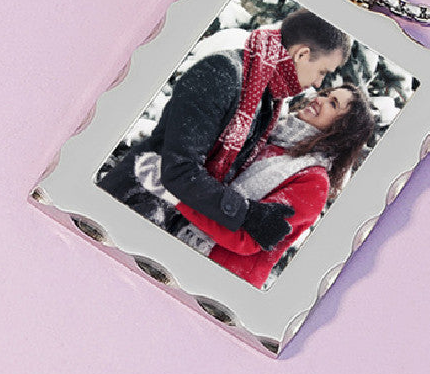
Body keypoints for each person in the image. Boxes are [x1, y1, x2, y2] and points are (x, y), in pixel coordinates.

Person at [98, 8, 350, 251]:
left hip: (165, 226)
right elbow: (179, 170)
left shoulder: (266, 98)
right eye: (322, 72)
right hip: (126, 211)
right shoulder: (221, 73)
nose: (318, 83)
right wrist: (247, 214)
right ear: (302, 55)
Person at [129, 83, 376, 288]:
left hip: (216, 281)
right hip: (179, 244)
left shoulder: (313, 183)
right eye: (326, 94)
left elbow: (247, 236)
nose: (319, 99)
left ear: (341, 131)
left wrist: (178, 193)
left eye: (333, 104)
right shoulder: (272, 138)